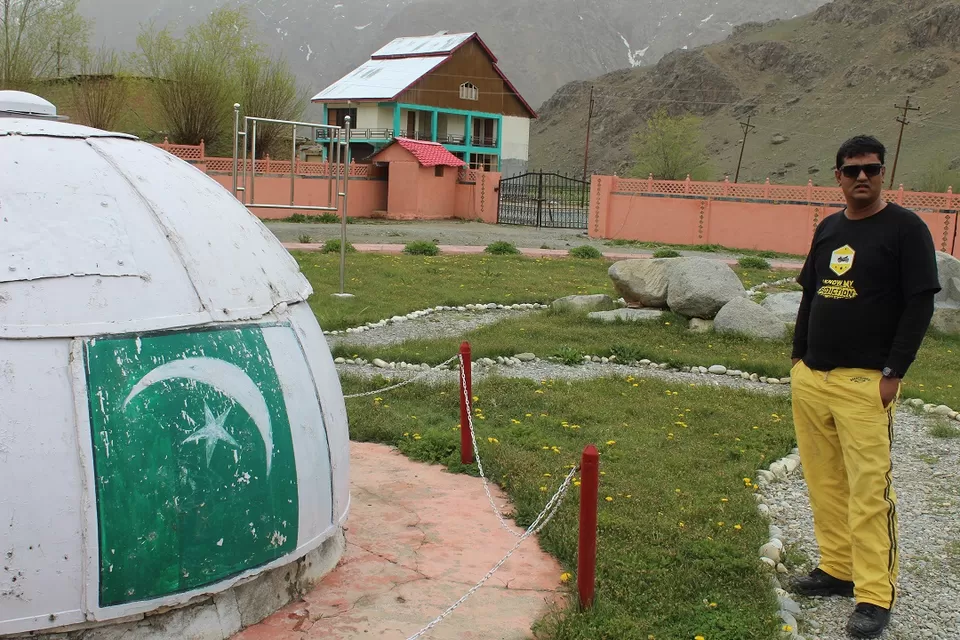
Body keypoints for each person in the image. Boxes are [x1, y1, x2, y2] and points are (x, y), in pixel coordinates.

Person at [789, 135, 941, 639]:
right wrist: (798, 360)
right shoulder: (829, 228)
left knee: (870, 491)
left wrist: (894, 373)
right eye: (851, 170)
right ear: (837, 176)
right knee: (825, 480)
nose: (861, 178)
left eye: (871, 170)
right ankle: (837, 569)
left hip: (865, 382)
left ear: (883, 174)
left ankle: (875, 595)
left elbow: (920, 304)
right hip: (814, 378)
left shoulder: (906, 229)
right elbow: (811, 294)